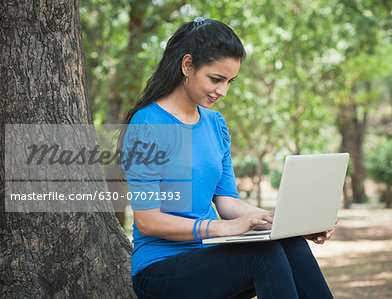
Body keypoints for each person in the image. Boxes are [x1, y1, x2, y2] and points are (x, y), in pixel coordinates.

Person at [118, 17, 336, 299]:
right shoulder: (147, 124)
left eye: (230, 81)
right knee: (263, 254)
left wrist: (286, 222)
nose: (223, 91)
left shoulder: (215, 124)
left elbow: (227, 202)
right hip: (160, 270)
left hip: (212, 258)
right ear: (187, 66)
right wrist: (223, 227)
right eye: (216, 79)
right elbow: (148, 221)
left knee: (289, 242)